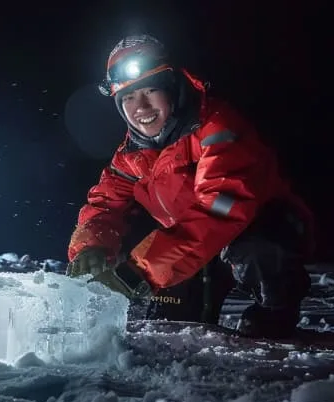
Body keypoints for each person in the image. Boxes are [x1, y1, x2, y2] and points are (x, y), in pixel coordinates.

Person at [66, 34, 314, 338]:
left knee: (260, 247)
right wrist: (91, 246)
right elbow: (104, 204)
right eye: (128, 98)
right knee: (173, 324)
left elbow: (220, 208)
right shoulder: (131, 155)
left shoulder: (217, 128)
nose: (140, 106)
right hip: (189, 251)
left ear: (173, 89)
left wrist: (139, 272)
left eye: (150, 90)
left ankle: (275, 310)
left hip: (247, 233)